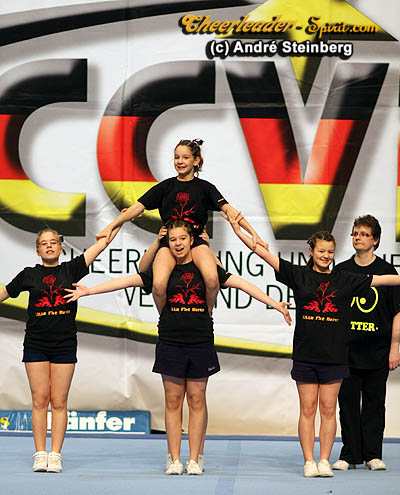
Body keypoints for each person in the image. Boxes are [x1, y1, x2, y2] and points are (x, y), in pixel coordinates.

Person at [65, 220, 291, 475]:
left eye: (182, 238)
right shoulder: (162, 270)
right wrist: (89, 291)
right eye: (173, 240)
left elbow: (242, 284)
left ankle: (194, 458)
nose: (178, 244)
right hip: (171, 341)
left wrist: (274, 303)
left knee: (196, 399)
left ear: (192, 240)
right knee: (173, 400)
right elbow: (127, 281)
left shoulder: (206, 268)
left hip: (200, 341)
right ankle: (174, 458)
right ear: (168, 243)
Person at [228, 216, 400, 477]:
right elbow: (260, 251)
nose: (326, 256)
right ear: (311, 251)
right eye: (321, 251)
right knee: (307, 409)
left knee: (329, 410)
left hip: (335, 356)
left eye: (330, 252)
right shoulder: (298, 275)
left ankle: (324, 461)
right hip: (306, 355)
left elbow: (386, 280)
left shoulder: (345, 279)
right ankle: (309, 461)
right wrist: (236, 228)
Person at [96, 138, 267, 316]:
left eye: (185, 157)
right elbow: (136, 208)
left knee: (212, 280)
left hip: (196, 240)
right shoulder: (165, 187)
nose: (180, 161)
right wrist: (111, 226)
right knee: (158, 285)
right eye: (176, 157)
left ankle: (207, 314)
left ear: (196, 160)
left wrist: (254, 234)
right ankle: (165, 318)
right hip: (170, 242)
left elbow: (231, 212)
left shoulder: (205, 188)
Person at [0, 227, 119, 473]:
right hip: (36, 343)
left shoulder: (71, 269)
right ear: (37, 250)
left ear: (61, 247)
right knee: (39, 400)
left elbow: (102, 245)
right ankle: (40, 453)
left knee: (59, 401)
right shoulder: (29, 275)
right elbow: (5, 292)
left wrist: (122, 220)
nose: (49, 246)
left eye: (53, 242)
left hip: (64, 344)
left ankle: (55, 454)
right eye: (44, 243)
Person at [332, 215, 400, 472]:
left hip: (378, 351)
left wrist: (394, 348)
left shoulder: (388, 271)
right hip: (347, 352)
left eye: (364, 234)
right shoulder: (342, 271)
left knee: (374, 405)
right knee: (347, 405)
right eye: (355, 233)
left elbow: (397, 312)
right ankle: (350, 454)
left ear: (376, 240)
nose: (358, 238)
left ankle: (373, 454)